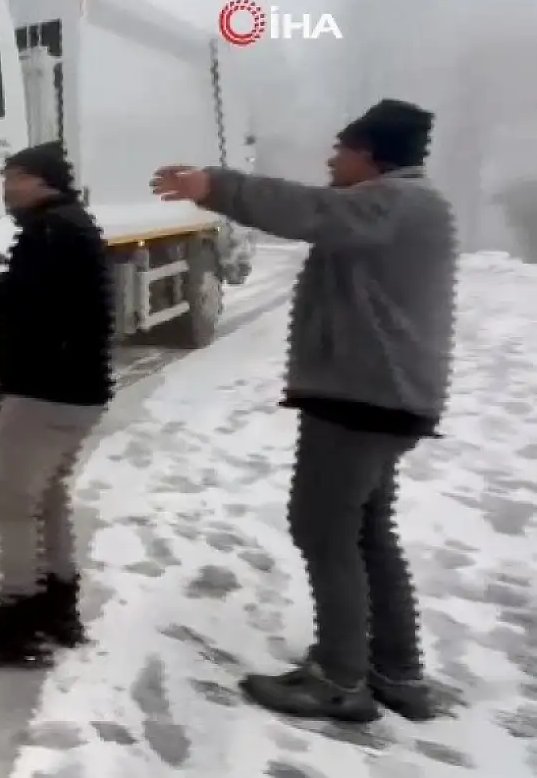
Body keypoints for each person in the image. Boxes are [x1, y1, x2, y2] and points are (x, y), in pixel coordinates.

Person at [150, 98, 455, 723]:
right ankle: (394, 672)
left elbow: (309, 210)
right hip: (381, 397)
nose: (330, 158)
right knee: (368, 532)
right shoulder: (407, 206)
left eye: (341, 148)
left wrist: (217, 186)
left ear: (370, 154)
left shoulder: (394, 203)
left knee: (324, 529)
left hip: (361, 398)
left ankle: (339, 679)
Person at [0, 140, 116, 666]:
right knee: (47, 496)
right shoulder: (72, 224)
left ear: (40, 180)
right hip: (77, 391)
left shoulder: (51, 230)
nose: (5, 186)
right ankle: (57, 604)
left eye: (13, 176)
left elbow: (38, 305)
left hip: (46, 390)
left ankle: (16, 618)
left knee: (11, 501)